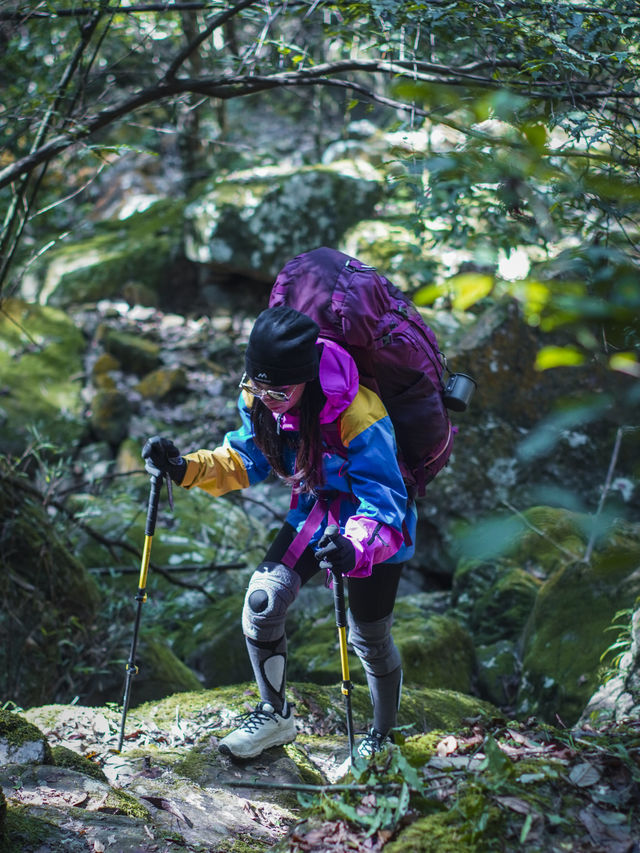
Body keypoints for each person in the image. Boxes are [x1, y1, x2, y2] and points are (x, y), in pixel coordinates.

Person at [142, 304, 417, 760]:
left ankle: (382, 737)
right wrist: (183, 466)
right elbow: (244, 460)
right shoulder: (261, 398)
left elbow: (386, 497)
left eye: (278, 390)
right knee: (262, 603)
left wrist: (354, 546)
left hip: (375, 528)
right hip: (313, 513)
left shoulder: (357, 412)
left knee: (367, 636)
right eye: (257, 386)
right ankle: (275, 715)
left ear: (306, 378)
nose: (266, 397)